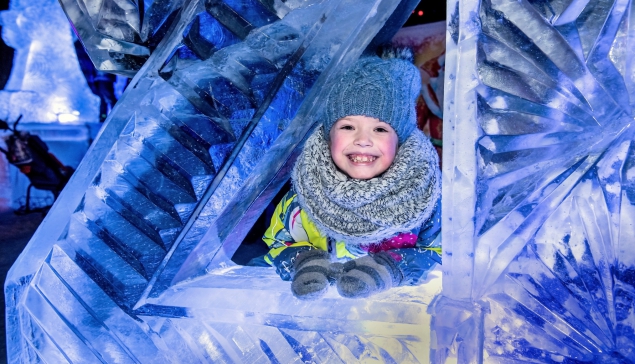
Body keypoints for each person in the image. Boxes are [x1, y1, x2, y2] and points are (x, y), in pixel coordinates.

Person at [260, 49, 441, 300]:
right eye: (348, 126)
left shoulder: (426, 199)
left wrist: (390, 269)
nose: (363, 140)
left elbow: (440, 251)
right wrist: (305, 262)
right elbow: (278, 240)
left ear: (399, 142)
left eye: (380, 128)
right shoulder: (304, 196)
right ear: (327, 134)